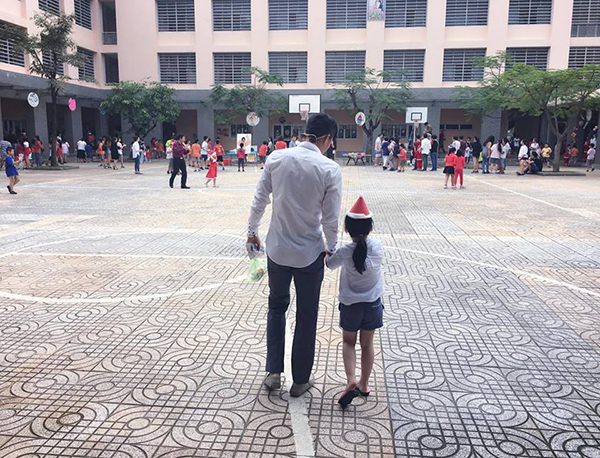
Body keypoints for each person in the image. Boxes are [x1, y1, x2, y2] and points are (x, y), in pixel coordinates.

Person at [247, 113, 342, 397]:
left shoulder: (277, 158)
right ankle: (300, 380)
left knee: (276, 307)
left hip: (277, 250)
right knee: (306, 314)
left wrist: (252, 231)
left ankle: (273, 373)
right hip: (309, 254)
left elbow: (260, 199)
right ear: (327, 138)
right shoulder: (329, 169)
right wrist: (332, 248)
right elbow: (331, 218)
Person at [326, 197, 384, 407]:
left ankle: (351, 379)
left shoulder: (345, 251)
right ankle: (364, 384)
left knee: (349, 342)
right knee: (367, 344)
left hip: (351, 305)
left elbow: (329, 264)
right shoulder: (378, 246)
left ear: (346, 228)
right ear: (370, 228)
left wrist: (328, 250)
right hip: (373, 305)